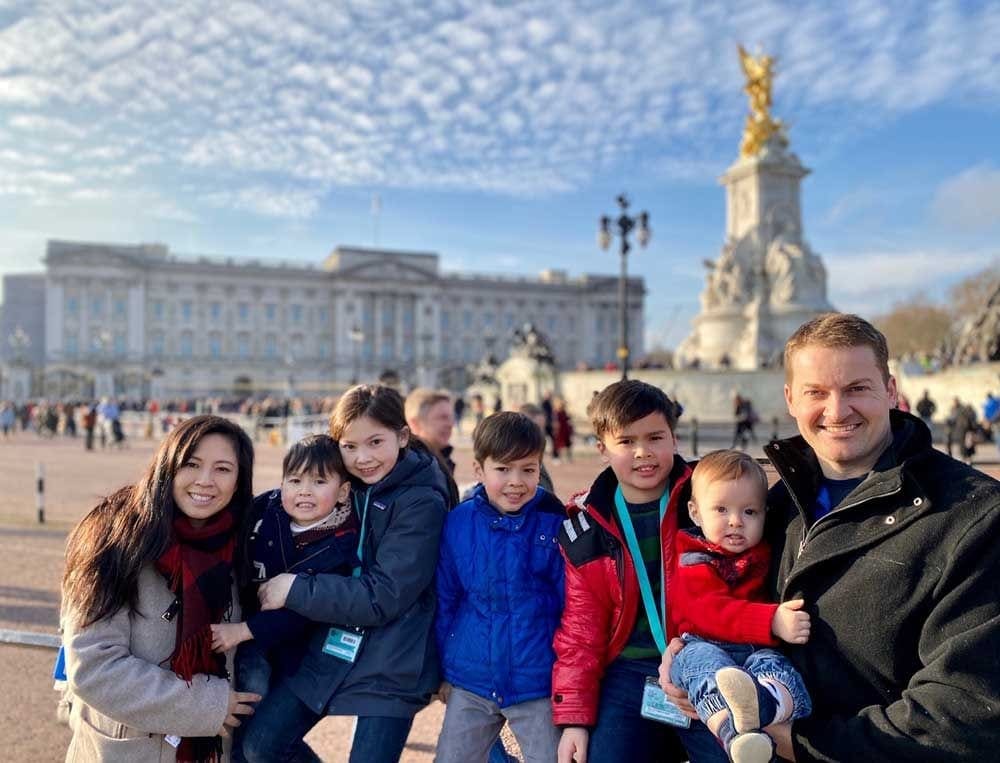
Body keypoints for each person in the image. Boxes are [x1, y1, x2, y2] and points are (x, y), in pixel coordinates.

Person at [663, 312, 1000, 760]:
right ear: (790, 399)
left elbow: (967, 709)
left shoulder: (974, 514)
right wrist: (689, 657)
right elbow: (727, 597)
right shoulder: (773, 504)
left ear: (892, 390)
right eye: (816, 393)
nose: (837, 411)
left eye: (857, 388)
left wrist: (799, 743)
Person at [240, 384, 449, 763]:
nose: (362, 458)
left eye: (374, 442)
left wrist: (295, 589)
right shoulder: (347, 486)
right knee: (260, 746)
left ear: (403, 436)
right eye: (349, 447)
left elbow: (383, 595)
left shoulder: (422, 501)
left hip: (394, 659)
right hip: (332, 647)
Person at [60, 415, 260, 761]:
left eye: (223, 469)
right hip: (127, 749)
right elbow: (92, 666)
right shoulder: (113, 538)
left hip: (210, 751)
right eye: (191, 464)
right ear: (168, 466)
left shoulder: (244, 544)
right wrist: (208, 705)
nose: (205, 481)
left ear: (239, 480)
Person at [552, 379, 726, 763]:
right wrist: (574, 719)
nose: (643, 453)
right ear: (602, 449)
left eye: (655, 438)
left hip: (705, 662)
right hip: (628, 674)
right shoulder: (586, 530)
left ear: (675, 439)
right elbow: (581, 630)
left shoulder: (712, 502)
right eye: (626, 442)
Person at [209, 434, 359, 761]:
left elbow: (305, 612)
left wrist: (243, 631)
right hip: (255, 645)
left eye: (319, 481)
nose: (304, 490)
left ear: (343, 491)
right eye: (295, 480)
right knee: (243, 734)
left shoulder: (342, 546)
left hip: (303, 654)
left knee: (260, 742)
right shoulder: (265, 510)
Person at [434, 411, 566, 762]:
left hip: (537, 679)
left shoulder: (556, 524)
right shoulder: (458, 523)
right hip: (472, 678)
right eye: (503, 469)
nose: (516, 482)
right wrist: (444, 670)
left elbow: (572, 604)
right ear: (479, 471)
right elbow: (447, 599)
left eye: (528, 469)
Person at [667, 450, 811, 762]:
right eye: (721, 509)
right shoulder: (693, 558)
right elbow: (707, 610)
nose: (735, 522)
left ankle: (762, 705)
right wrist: (771, 620)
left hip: (755, 652)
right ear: (695, 513)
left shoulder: (766, 549)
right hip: (705, 642)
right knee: (700, 665)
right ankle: (735, 735)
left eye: (749, 512)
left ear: (765, 515)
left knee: (779, 670)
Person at [405, 387, 459, 505]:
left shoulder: (439, 460)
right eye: (442, 418)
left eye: (451, 417)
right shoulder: (413, 468)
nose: (450, 424)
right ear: (414, 423)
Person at [517, 403, 555, 493]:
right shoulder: (518, 464)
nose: (542, 434)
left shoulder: (534, 457)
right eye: (537, 428)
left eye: (543, 429)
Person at [553, 397, 574, 463]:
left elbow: (568, 419)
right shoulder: (556, 412)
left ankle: (569, 458)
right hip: (560, 430)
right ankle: (557, 458)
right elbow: (555, 422)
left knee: (568, 444)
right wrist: (555, 429)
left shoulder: (564, 411)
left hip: (565, 430)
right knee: (558, 445)